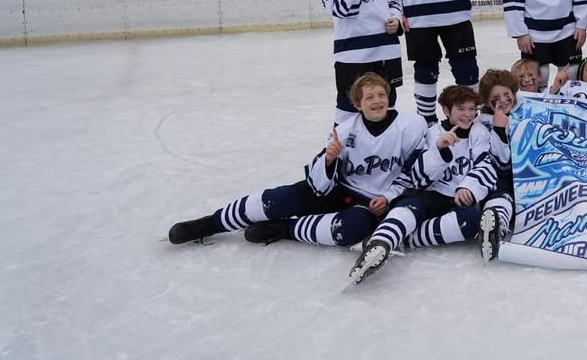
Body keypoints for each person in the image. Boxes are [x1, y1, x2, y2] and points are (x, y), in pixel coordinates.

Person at [166, 73, 427, 248]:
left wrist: (390, 198)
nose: (377, 101)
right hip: (341, 191)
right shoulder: (346, 131)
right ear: (358, 105)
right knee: (276, 200)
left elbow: (415, 174)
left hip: (372, 203)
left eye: (381, 95)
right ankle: (209, 223)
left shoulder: (411, 125)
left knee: (350, 230)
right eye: (369, 97)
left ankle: (284, 229)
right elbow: (318, 186)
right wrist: (329, 159)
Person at [349, 85, 497, 283]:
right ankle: (380, 243)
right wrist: (439, 149)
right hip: (430, 194)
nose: (468, 115)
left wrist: (468, 187)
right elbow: (417, 177)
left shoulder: (479, 133)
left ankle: (405, 239)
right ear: (446, 110)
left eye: (472, 109)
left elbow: (485, 165)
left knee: (471, 220)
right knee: (408, 207)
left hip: (455, 199)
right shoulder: (432, 133)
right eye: (461, 109)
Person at [477, 69, 518, 261]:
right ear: (486, 102)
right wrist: (499, 129)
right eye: (496, 98)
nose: (503, 100)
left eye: (506, 94)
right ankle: (494, 227)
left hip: (527, 176)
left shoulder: (524, 110)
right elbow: (501, 163)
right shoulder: (481, 124)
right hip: (499, 179)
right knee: (503, 197)